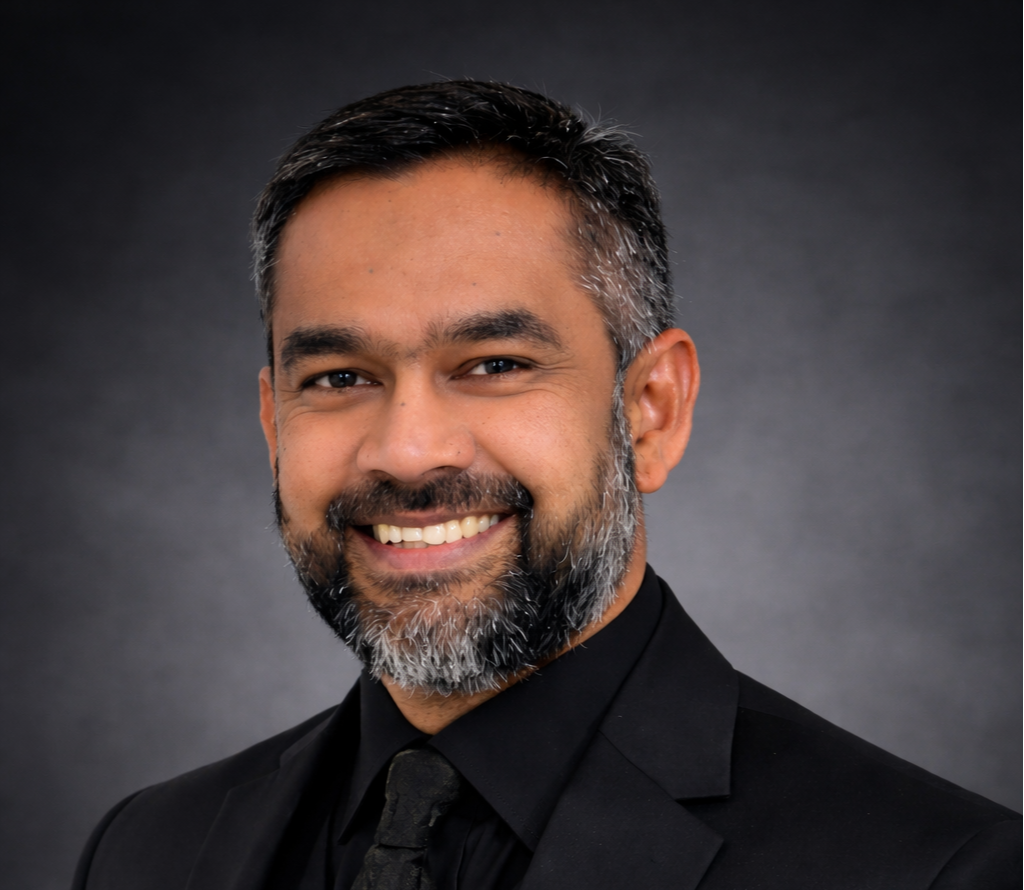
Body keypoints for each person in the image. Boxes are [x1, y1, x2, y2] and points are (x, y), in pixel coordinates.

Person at [72, 81, 1020, 890]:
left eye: (494, 364)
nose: (408, 452)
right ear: (274, 424)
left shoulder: (940, 869)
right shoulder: (143, 851)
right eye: (340, 377)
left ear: (650, 410)